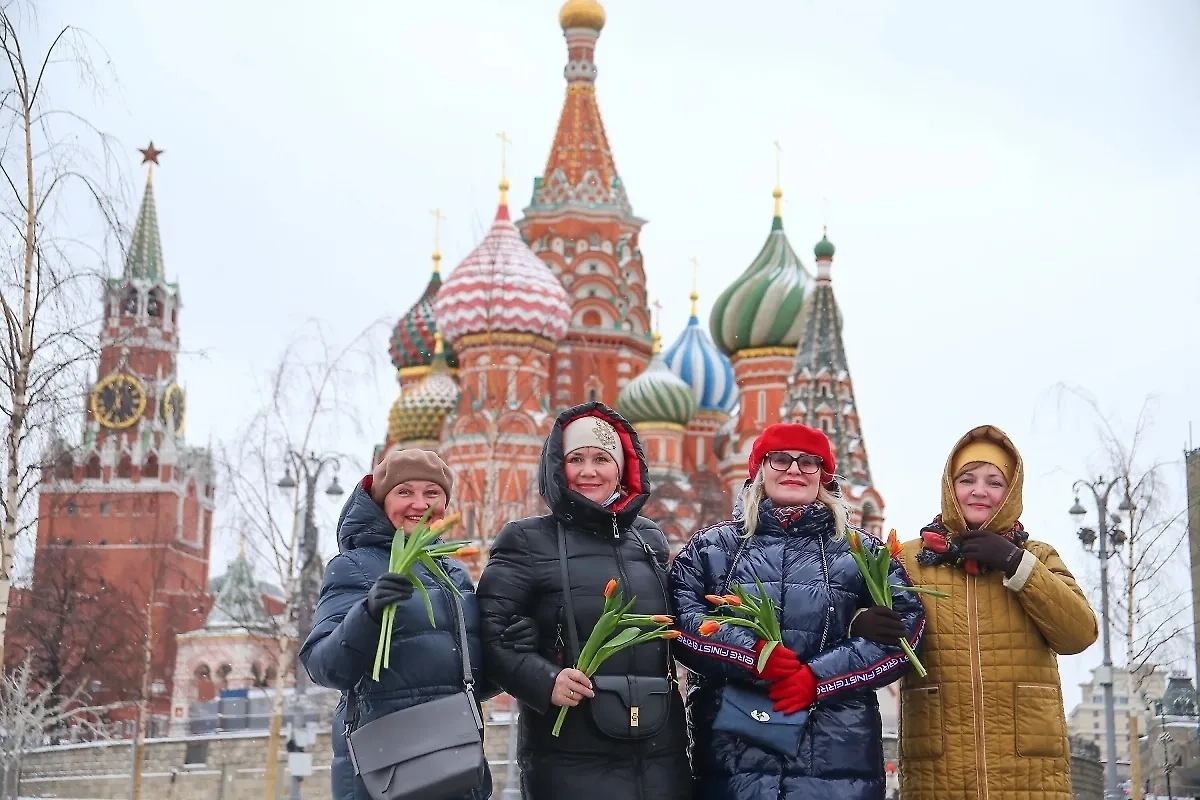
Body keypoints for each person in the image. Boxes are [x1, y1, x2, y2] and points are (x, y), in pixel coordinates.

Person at [671, 422, 926, 800]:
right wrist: (752, 655)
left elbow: (906, 631)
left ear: (823, 476)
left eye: (809, 462)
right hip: (735, 757)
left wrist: (818, 679)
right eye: (780, 459)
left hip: (837, 757)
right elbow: (681, 619)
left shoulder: (860, 551)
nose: (794, 469)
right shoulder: (715, 547)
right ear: (759, 470)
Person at [477, 401, 691, 800]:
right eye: (576, 459)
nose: (589, 471)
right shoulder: (526, 539)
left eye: (601, 458)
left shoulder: (649, 539)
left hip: (660, 747)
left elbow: (673, 627)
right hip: (569, 752)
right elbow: (491, 633)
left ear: (622, 468)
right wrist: (544, 680)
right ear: (558, 467)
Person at [299, 449, 534, 800]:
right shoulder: (352, 566)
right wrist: (370, 612)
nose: (419, 504)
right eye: (404, 492)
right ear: (382, 500)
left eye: (432, 493)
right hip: (384, 771)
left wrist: (511, 648)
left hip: (453, 764)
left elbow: (465, 679)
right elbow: (325, 667)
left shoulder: (453, 572)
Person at [896, 425, 1098, 800]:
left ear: (1011, 491)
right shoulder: (909, 559)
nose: (979, 491)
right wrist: (865, 623)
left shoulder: (1037, 556)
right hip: (938, 771)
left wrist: (1014, 562)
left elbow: (1080, 634)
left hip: (1029, 771)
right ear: (949, 486)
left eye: (994, 482)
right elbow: (867, 635)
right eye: (967, 479)